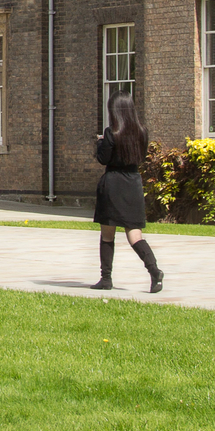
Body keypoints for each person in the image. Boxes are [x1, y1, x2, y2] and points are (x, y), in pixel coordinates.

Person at [89, 96, 163, 293]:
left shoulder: (111, 133)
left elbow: (104, 159)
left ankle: (106, 278)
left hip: (113, 184)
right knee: (134, 234)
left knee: (107, 235)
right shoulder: (142, 132)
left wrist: (100, 143)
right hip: (133, 183)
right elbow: (140, 156)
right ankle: (154, 270)